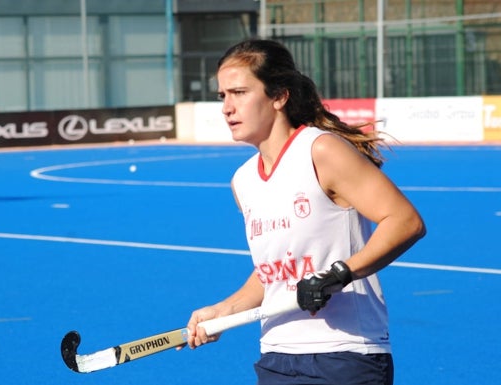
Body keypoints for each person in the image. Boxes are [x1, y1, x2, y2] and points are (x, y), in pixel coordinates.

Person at [182, 39, 426, 385]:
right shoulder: (243, 181)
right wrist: (223, 311)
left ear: (279, 96)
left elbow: (405, 222)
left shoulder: (320, 150)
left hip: (344, 355)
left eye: (239, 92)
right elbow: (274, 274)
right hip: (277, 356)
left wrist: (338, 275)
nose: (227, 107)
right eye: (223, 96)